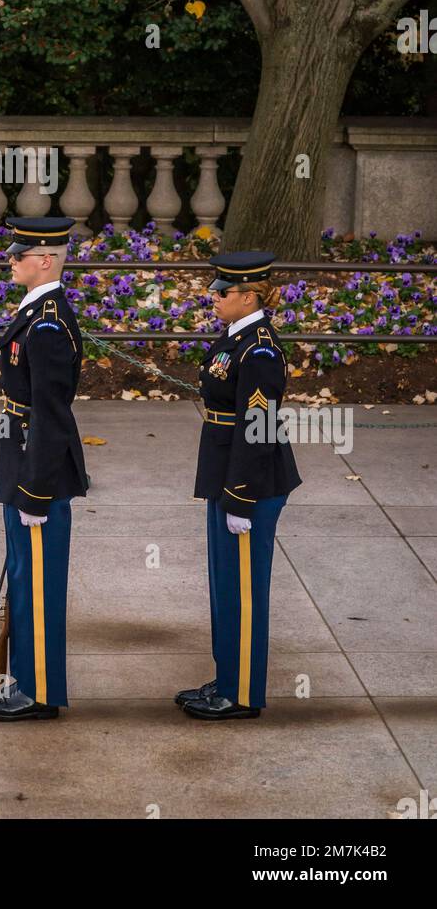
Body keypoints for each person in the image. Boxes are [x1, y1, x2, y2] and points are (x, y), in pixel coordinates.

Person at [176, 251, 302, 720]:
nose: (213, 298)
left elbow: (259, 427)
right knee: (226, 584)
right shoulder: (236, 338)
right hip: (223, 472)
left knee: (244, 590)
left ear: (248, 296)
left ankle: (242, 692)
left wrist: (242, 497)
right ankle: (227, 676)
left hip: (250, 481)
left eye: (222, 292)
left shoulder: (260, 350)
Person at [0, 215, 88, 722]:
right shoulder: (36, 314)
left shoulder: (47, 326)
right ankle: (23, 676)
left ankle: (40, 693)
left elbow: (53, 414)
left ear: (44, 261)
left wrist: (36, 492)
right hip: (23, 457)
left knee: (38, 582)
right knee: (24, 576)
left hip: (38, 469)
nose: (10, 260)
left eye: (18, 255)